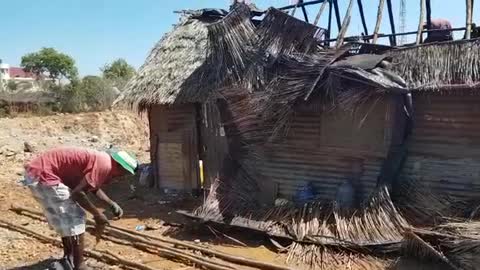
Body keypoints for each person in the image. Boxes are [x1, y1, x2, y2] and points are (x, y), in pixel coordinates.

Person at [23, 147, 138, 270]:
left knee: (66, 218)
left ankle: (69, 258)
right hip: (45, 176)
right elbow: (78, 193)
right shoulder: (105, 166)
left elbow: (91, 186)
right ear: (119, 166)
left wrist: (110, 203)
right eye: (124, 173)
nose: (121, 177)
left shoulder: (102, 160)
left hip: (36, 174)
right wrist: (97, 215)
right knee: (77, 217)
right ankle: (79, 265)